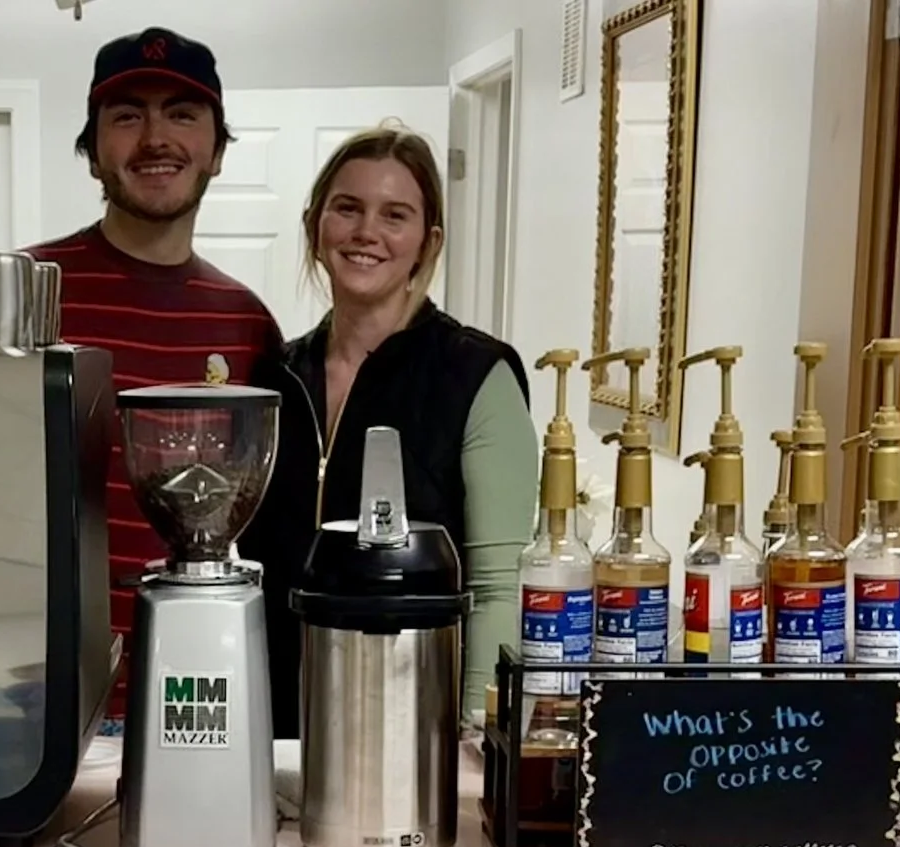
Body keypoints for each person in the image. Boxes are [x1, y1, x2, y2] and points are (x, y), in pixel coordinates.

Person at [27, 27, 320, 728]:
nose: (156, 138)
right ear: (93, 150)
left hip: (190, 697)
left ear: (217, 151)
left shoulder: (247, 324)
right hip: (33, 698)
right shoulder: (30, 292)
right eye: (128, 115)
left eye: (182, 114)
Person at [243, 125, 536, 735]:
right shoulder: (274, 377)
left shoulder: (476, 375)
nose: (366, 232)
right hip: (276, 724)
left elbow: (498, 587)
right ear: (315, 226)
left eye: (394, 215)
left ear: (429, 242)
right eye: (347, 208)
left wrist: (477, 737)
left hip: (412, 732)